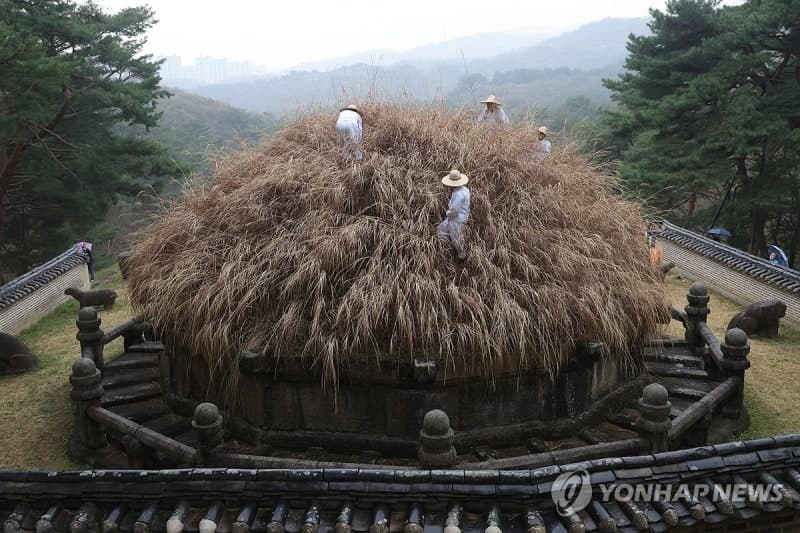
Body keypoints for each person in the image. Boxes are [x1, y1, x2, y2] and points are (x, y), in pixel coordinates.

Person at [437, 169, 471, 260]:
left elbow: (453, 211)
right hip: (463, 215)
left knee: (457, 237)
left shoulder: (457, 194)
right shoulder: (465, 189)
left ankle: (462, 256)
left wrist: (446, 215)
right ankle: (448, 248)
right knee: (442, 229)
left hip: (457, 219)